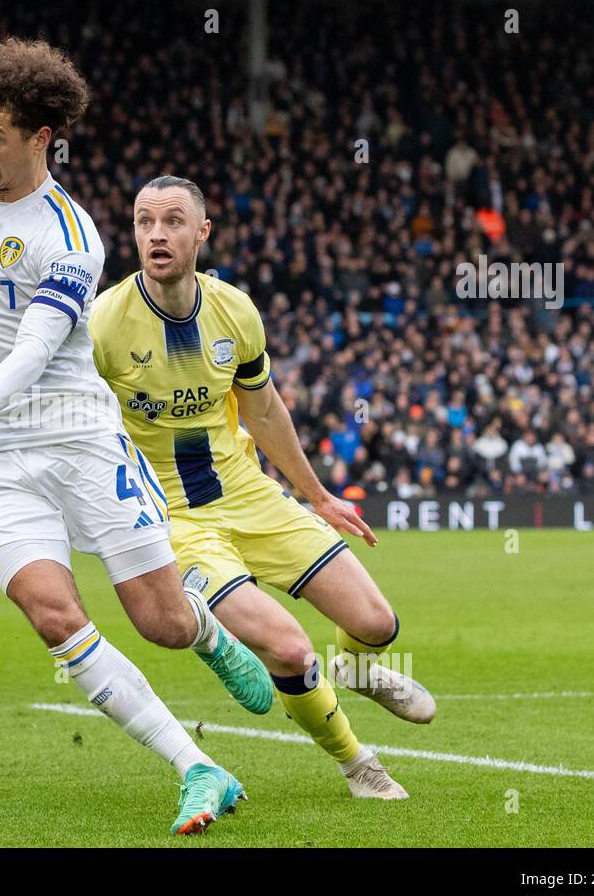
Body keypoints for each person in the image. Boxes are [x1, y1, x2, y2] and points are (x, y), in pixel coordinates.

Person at [0, 39, 271, 835]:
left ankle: (202, 624)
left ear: (39, 138)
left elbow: (34, 349)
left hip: (78, 439)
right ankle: (198, 766)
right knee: (55, 616)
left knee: (160, 624)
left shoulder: (73, 233)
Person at [89, 176, 438, 801]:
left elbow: (266, 411)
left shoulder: (235, 310)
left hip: (248, 494)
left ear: (202, 233)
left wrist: (319, 495)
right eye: (145, 222)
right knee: (288, 645)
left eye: (172, 221)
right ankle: (359, 763)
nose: (156, 234)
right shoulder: (105, 325)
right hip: (172, 519)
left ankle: (356, 668)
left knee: (377, 621)